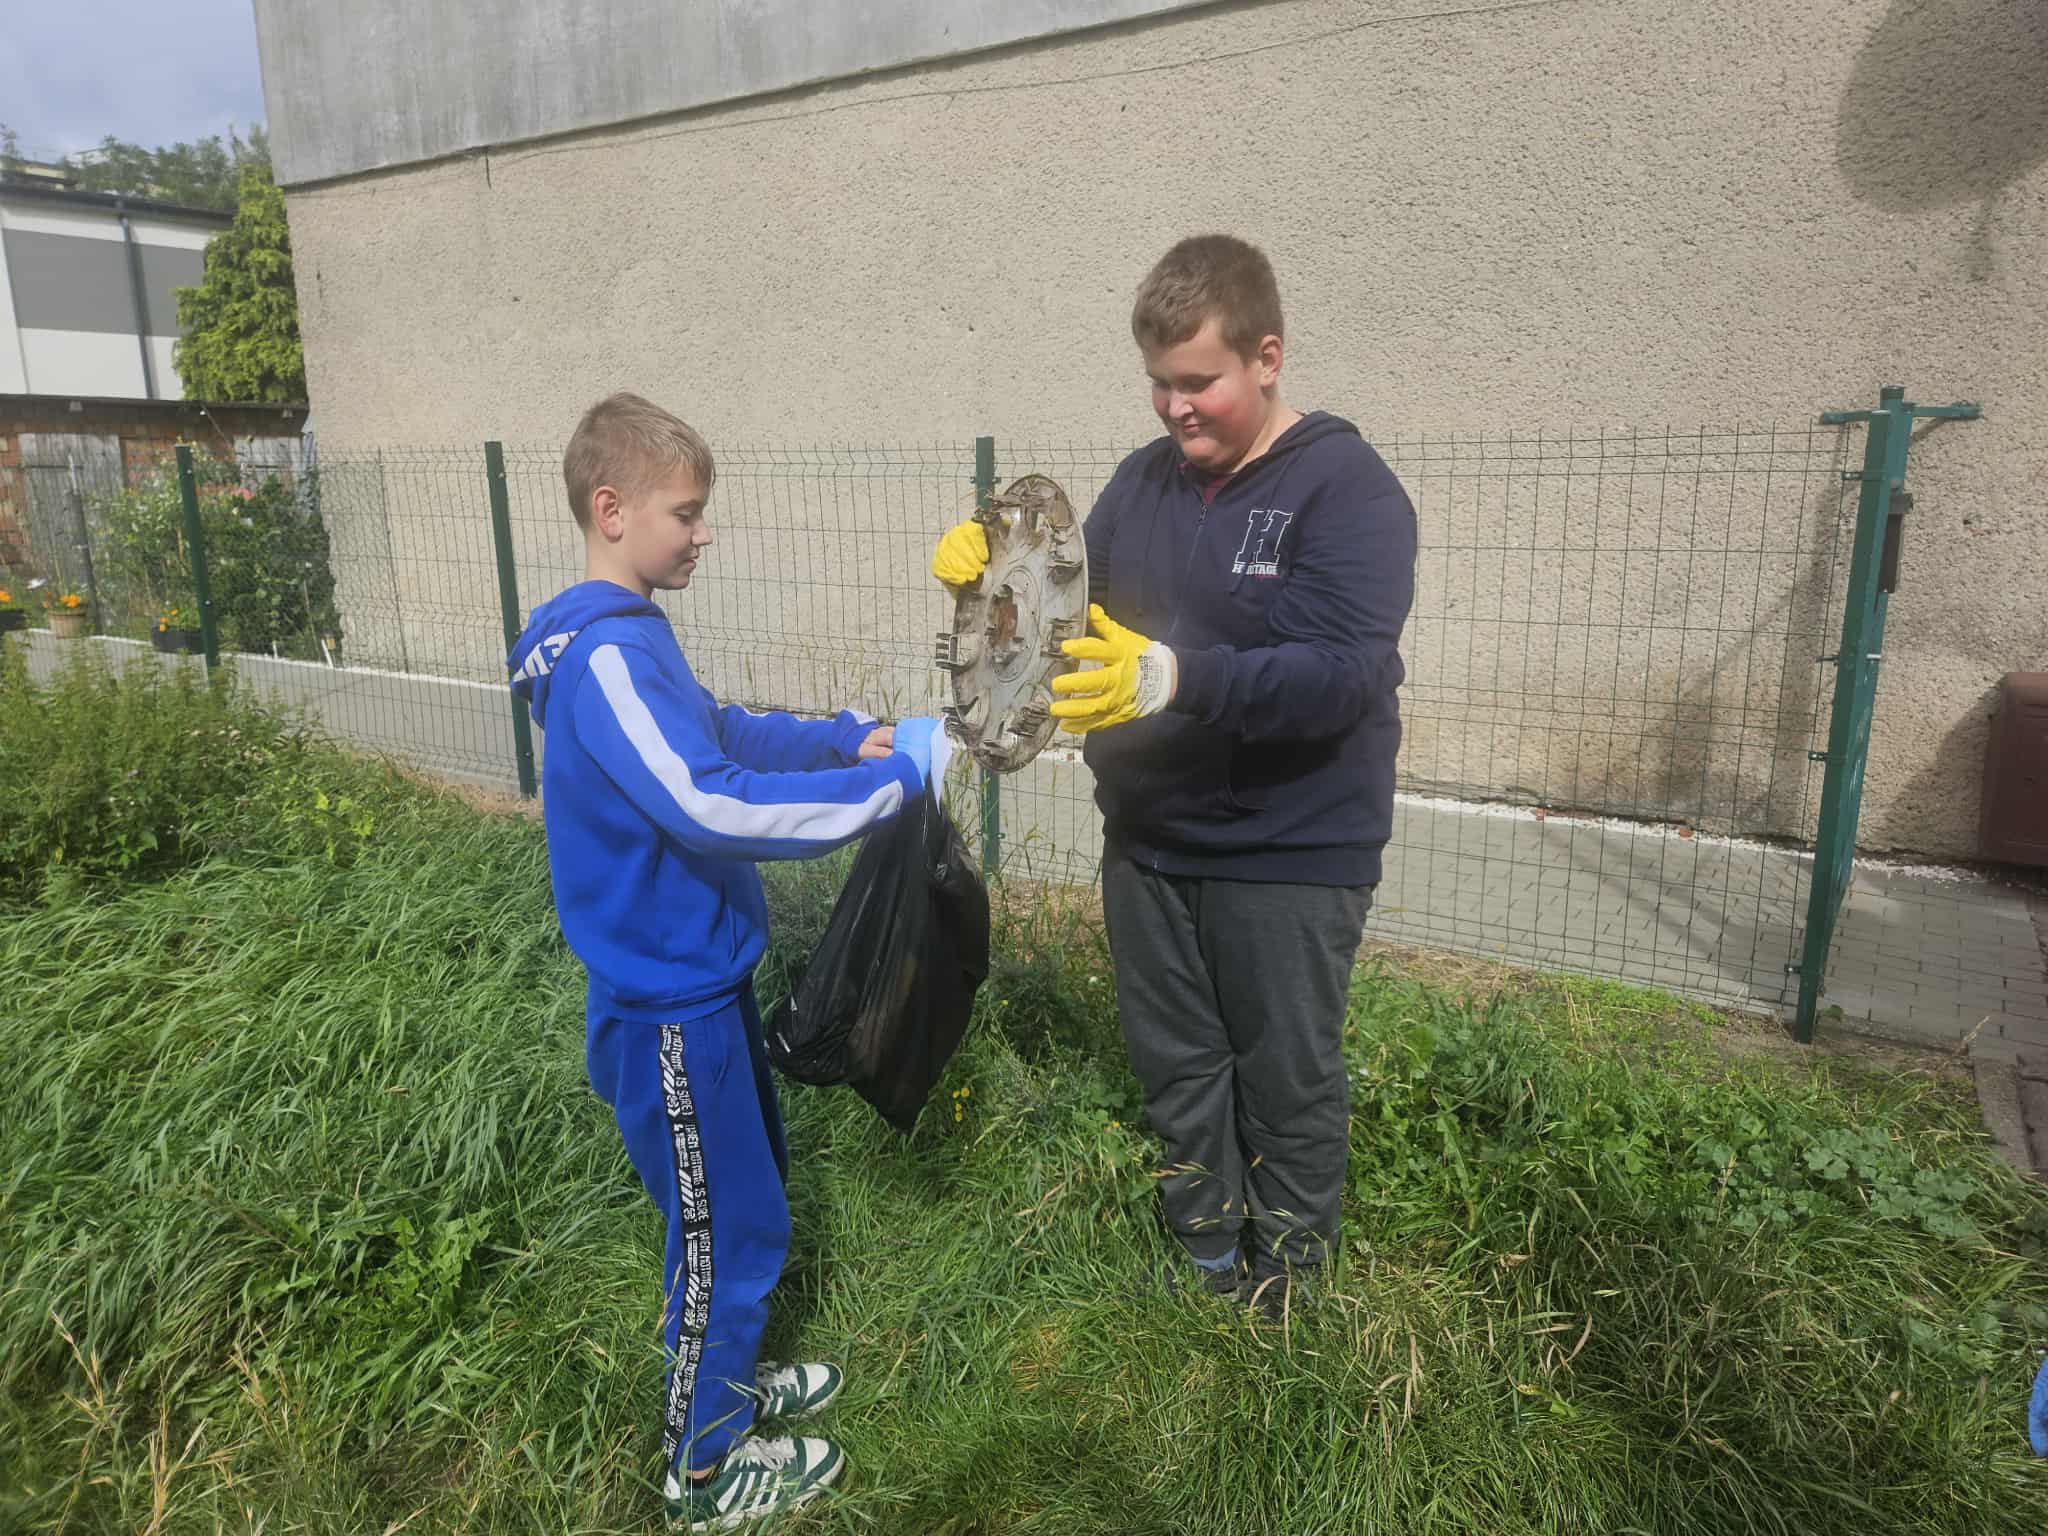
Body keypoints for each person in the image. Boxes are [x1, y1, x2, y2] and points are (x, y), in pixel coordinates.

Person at [931, 235, 1416, 1319]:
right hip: (1150, 836)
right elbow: (1065, 612)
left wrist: (1172, 676)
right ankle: (1203, 1259)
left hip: (1290, 845)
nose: (1175, 408)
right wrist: (993, 574)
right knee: (1178, 1062)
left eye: (1198, 381)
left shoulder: (1346, 491)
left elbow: (1342, 675)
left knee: (1285, 1074)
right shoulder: (1142, 483)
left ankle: (1288, 1288)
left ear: (1266, 358)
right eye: (1159, 382)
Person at [511, 392, 942, 1527]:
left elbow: (718, 728)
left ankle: (727, 1381)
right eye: (686, 513)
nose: (704, 534)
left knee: (747, 1201)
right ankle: (700, 1464)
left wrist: (842, 738)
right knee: (725, 1234)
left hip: (701, 984)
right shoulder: (608, 657)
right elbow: (709, 802)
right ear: (612, 509)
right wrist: (890, 785)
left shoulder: (630, 635)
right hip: (669, 1008)